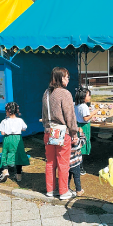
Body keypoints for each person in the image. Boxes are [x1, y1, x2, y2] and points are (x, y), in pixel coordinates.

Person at [42, 67, 78, 200]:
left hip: (48, 130)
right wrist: (74, 131)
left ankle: (50, 189)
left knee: (50, 162)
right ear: (60, 78)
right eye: (66, 77)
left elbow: (43, 114)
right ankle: (63, 191)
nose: (68, 79)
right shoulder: (64, 93)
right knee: (63, 162)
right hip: (62, 131)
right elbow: (70, 115)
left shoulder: (46, 93)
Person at [0, 102, 29, 182]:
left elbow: (2, 132)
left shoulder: (4, 121)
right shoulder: (20, 120)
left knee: (5, 152)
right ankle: (18, 174)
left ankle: (5, 170)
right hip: (17, 139)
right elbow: (24, 128)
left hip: (7, 138)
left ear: (7, 111)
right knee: (18, 154)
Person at [74, 87, 97, 175]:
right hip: (84, 126)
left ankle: (78, 164)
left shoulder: (76, 104)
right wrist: (93, 113)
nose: (90, 97)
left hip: (78, 125)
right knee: (83, 144)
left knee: (79, 144)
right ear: (83, 97)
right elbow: (85, 118)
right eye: (89, 95)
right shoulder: (84, 106)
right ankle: (80, 167)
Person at [69, 127, 86, 196]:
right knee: (77, 177)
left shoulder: (65, 142)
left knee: (68, 177)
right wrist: (81, 133)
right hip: (75, 163)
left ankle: (66, 188)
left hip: (67, 163)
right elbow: (83, 140)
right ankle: (78, 190)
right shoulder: (76, 142)